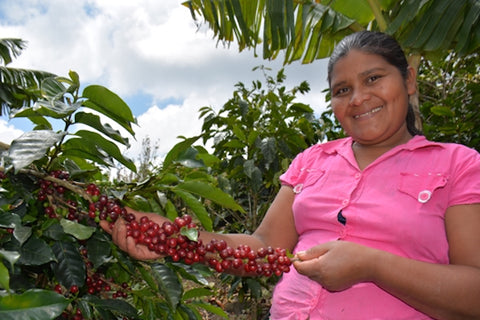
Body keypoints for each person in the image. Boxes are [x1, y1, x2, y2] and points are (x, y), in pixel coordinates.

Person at [101, 31, 480, 319]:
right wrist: (175, 238)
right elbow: (264, 244)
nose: (358, 99)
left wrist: (372, 265)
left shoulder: (457, 165)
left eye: (373, 79)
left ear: (409, 81)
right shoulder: (312, 160)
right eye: (342, 89)